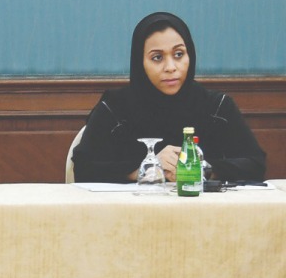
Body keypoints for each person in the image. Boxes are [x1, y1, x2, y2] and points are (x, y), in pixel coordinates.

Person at [72, 11, 265, 183]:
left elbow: (256, 164)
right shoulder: (115, 107)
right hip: (130, 217)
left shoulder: (217, 107)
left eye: (179, 54)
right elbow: (83, 168)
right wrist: (148, 168)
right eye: (157, 57)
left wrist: (200, 168)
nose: (171, 67)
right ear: (140, 62)